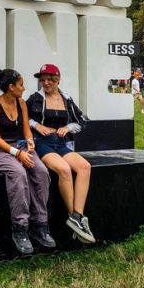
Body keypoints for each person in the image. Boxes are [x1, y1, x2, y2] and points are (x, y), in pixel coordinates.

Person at [0, 68, 53, 255]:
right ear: (11, 87)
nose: (24, 88)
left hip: (20, 147)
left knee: (41, 172)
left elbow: (26, 130)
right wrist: (18, 154)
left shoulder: (21, 103)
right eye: (21, 85)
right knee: (19, 173)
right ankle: (20, 228)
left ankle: (39, 224)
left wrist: (30, 142)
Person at [26, 64, 95, 244]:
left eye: (49, 79)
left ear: (57, 79)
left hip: (61, 143)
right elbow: (23, 117)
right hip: (42, 143)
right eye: (42, 80)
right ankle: (75, 219)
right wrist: (36, 125)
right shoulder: (35, 98)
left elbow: (80, 121)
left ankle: (77, 216)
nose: (45, 83)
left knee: (85, 167)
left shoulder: (67, 99)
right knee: (64, 170)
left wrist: (67, 127)